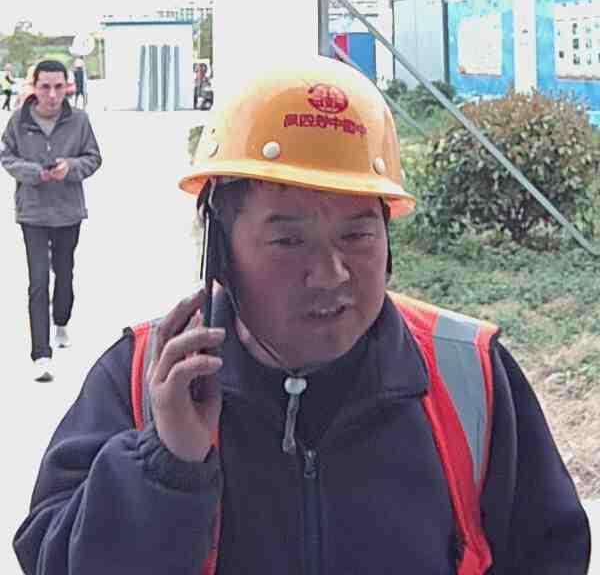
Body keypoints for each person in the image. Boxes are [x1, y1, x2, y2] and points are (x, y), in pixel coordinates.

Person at [12, 58, 590, 573]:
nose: (331, 274)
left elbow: (550, 553)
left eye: (357, 235)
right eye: (289, 241)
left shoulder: (470, 378)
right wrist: (166, 464)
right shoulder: (139, 380)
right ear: (220, 253)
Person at [1, 59, 102, 383]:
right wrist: (34, 173)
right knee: (38, 281)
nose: (52, 94)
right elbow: (6, 156)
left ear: (68, 86)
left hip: (68, 211)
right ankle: (41, 354)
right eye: (45, 87)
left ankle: (62, 320)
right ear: (34, 87)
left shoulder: (80, 120)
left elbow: (94, 158)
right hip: (32, 212)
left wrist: (70, 167)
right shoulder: (18, 120)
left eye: (59, 86)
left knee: (64, 274)